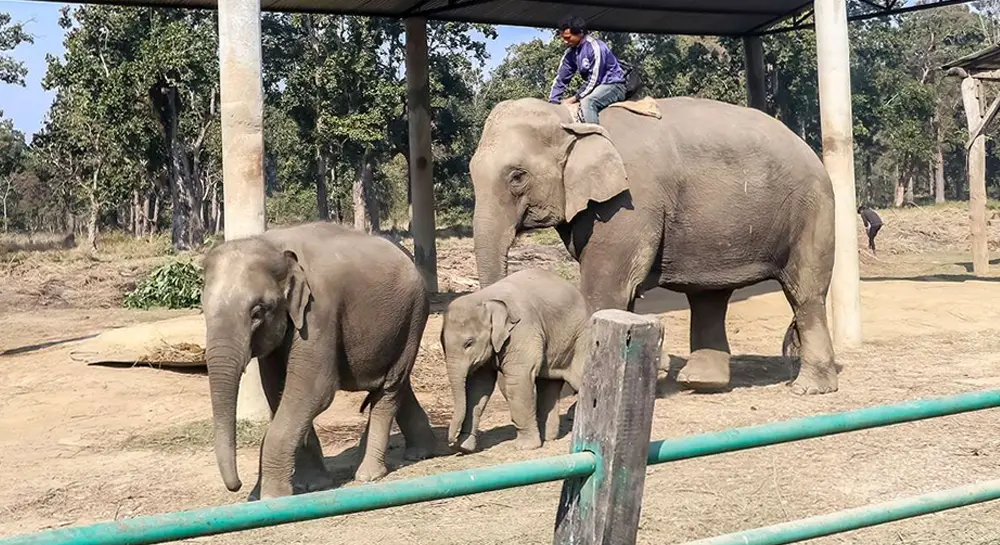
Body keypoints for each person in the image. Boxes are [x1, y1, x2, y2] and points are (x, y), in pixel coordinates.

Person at [548, 15, 628, 125]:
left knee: (588, 102)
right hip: (596, 86)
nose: (565, 41)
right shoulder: (570, 53)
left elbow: (595, 80)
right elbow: (561, 79)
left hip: (612, 85)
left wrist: (574, 98)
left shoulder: (596, 48)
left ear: (580, 33)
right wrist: (553, 102)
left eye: (568, 37)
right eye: (562, 38)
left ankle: (595, 139)